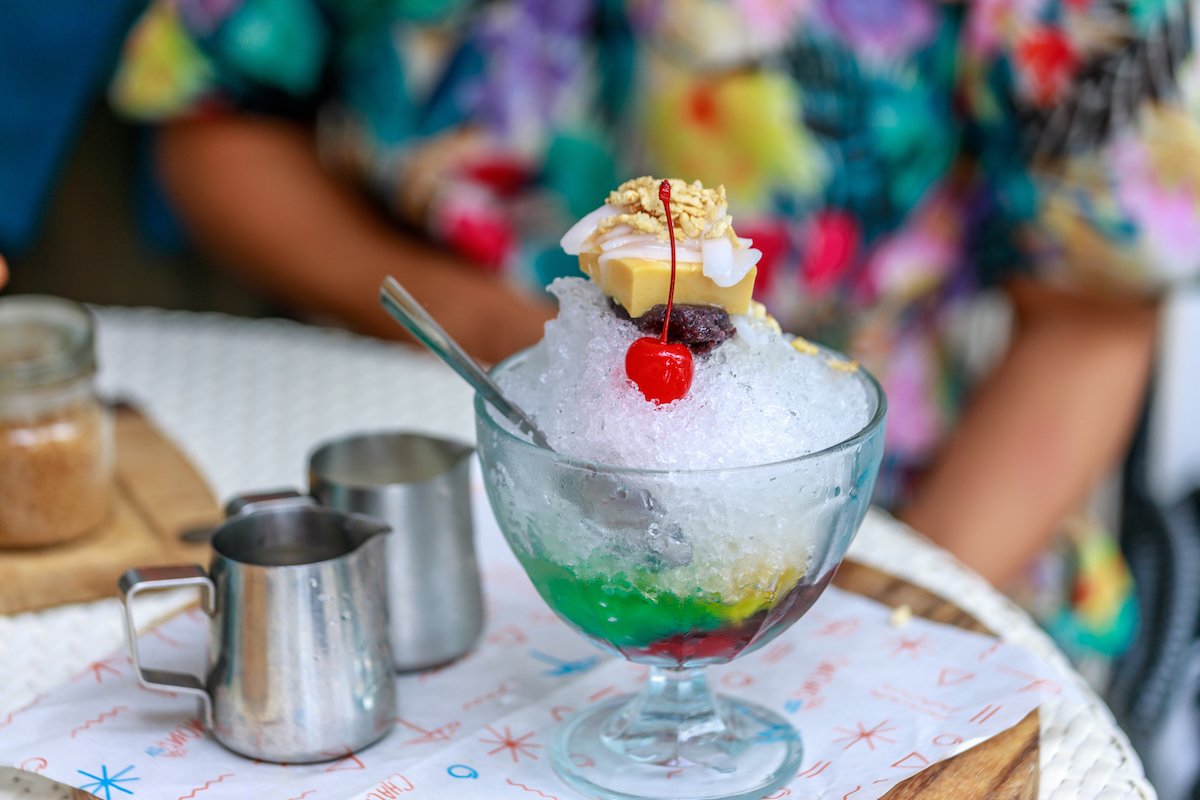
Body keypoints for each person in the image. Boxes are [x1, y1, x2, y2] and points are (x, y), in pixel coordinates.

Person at [111, 1, 1186, 647]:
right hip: (451, 499)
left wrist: (862, 626)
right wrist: (477, 315)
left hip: (903, 534)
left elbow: (1093, 308)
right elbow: (212, 115)